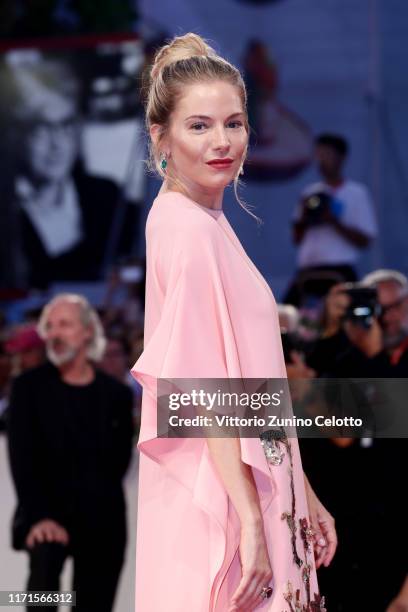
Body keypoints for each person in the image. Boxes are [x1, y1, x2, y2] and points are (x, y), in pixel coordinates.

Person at [131, 33, 337, 612]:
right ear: (160, 138)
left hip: (252, 484)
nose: (222, 142)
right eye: (198, 126)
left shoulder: (204, 222)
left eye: (234, 123)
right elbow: (200, 389)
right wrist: (250, 518)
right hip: (224, 497)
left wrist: (301, 489)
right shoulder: (186, 229)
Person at [6, 294, 134, 612]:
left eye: (64, 324)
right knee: (42, 601)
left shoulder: (115, 394)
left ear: (88, 331)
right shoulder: (27, 388)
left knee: (93, 605)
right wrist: (39, 517)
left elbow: (117, 463)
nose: (54, 333)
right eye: (49, 326)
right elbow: (22, 458)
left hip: (102, 522)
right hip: (45, 517)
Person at [285, 133, 378, 306]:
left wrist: (333, 221)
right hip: (308, 272)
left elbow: (365, 240)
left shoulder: (356, 193)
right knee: (287, 318)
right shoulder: (310, 193)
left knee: (348, 320)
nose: (322, 161)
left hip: (340, 272)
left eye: (327, 155)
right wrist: (305, 217)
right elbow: (296, 238)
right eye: (319, 155)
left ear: (342, 157)